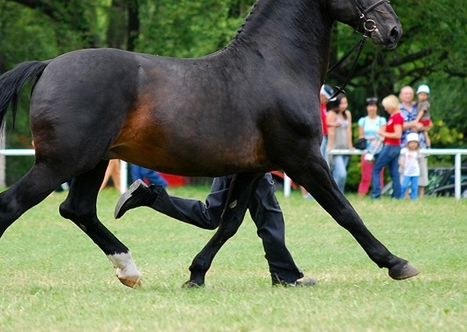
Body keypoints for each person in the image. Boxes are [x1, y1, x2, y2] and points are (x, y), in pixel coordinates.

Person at [114, 173, 316, 287]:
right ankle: (284, 276)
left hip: (238, 155)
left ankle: (284, 275)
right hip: (247, 160)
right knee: (267, 217)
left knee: (214, 216)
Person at [399, 86, 430, 198]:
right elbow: (396, 126)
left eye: (410, 93)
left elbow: (429, 124)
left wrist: (423, 126)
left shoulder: (419, 105)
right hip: (404, 143)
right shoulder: (398, 108)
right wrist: (413, 125)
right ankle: (405, 195)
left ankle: (420, 195)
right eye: (405, 93)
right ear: (401, 95)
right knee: (404, 169)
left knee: (421, 168)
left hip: (420, 142)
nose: (408, 95)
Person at [371, 95, 404, 199]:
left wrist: (382, 133)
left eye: (386, 106)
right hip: (394, 147)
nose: (385, 109)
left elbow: (398, 134)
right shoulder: (393, 116)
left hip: (391, 147)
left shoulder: (397, 117)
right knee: (394, 172)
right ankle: (397, 195)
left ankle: (376, 194)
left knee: (376, 169)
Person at [357, 97, 386, 198]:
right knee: (366, 176)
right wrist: (374, 137)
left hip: (379, 150)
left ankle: (378, 195)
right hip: (367, 151)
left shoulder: (382, 120)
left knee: (379, 175)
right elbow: (361, 136)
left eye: (373, 106)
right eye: (370, 106)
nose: (372, 108)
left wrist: (369, 137)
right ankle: (361, 196)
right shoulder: (363, 121)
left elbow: (382, 135)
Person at [326, 94, 353, 192]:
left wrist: (350, 146)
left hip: (345, 147)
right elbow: (331, 131)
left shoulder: (348, 114)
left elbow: (349, 130)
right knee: (341, 174)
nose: (344, 105)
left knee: (340, 174)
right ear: (337, 104)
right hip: (335, 148)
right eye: (342, 103)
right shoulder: (332, 114)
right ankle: (335, 194)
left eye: (346, 103)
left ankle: (339, 194)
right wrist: (330, 146)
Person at [399, 133, 422, 199]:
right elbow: (400, 159)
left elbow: (419, 160)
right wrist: (402, 163)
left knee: (414, 186)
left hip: (415, 172)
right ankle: (401, 196)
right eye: (411, 143)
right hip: (407, 172)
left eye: (415, 143)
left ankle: (414, 198)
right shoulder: (405, 151)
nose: (413, 144)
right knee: (404, 185)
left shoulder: (418, 152)